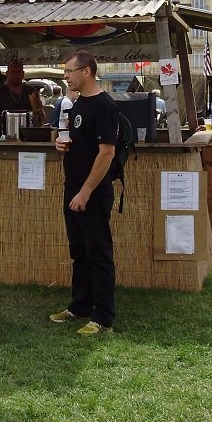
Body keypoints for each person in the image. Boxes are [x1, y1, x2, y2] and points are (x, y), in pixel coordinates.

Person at [50, 50, 119, 336]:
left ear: (86, 71)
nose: (66, 75)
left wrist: (85, 192)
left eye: (69, 71)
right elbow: (81, 144)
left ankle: (103, 318)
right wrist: (61, 144)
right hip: (73, 190)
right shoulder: (77, 105)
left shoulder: (105, 106)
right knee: (79, 251)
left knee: (98, 254)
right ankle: (80, 306)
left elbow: (107, 153)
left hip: (92, 194)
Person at [0, 61, 44, 140]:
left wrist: (40, 109)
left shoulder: (31, 91)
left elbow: (40, 120)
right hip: (4, 140)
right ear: (7, 73)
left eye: (19, 71)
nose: (16, 74)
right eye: (13, 71)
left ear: (23, 74)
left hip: (28, 140)